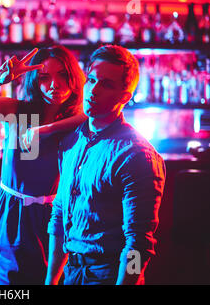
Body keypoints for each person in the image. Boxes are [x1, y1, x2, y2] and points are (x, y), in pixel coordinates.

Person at [0, 46, 87, 284]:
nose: (55, 84)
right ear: (33, 80)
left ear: (74, 77)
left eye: (63, 75)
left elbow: (99, 114)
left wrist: (47, 129)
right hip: (13, 212)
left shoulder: (78, 120)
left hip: (57, 217)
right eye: (44, 77)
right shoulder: (17, 111)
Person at [45, 45, 166, 285]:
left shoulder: (136, 155)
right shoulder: (72, 141)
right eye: (91, 79)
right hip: (72, 272)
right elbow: (59, 215)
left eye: (107, 84)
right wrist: (51, 280)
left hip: (109, 275)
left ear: (125, 96)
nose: (93, 90)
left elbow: (138, 244)